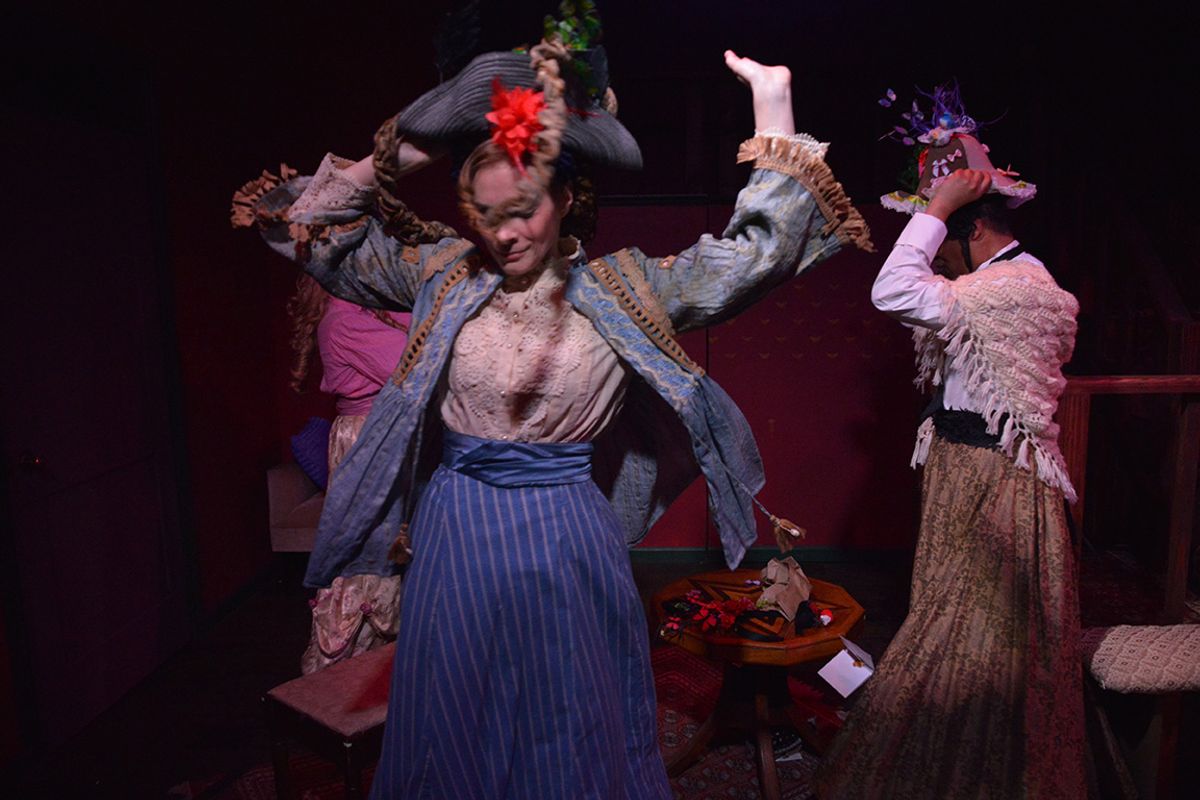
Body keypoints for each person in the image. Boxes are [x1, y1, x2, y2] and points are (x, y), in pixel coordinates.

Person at [232, 12, 871, 796]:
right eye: (487, 213)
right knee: (456, 718)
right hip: (457, 531)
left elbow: (755, 258)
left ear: (568, 196)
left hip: (566, 535)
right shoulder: (439, 275)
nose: (506, 235)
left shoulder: (624, 290)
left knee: (572, 720)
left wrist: (774, 106)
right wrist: (406, 150)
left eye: (525, 208)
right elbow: (293, 226)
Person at [816, 87, 1084, 798]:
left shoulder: (1017, 288)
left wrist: (932, 211)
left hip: (997, 483)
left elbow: (893, 290)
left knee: (977, 643)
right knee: (957, 633)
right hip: (963, 471)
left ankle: (977, 775)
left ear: (969, 230)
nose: (944, 259)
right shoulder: (993, 287)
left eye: (944, 236)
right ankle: (952, 769)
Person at [285, 275, 413, 674]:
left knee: (395, 555)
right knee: (366, 565)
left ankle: (387, 677)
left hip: (385, 434)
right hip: (369, 440)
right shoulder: (343, 319)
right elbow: (412, 365)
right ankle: (335, 683)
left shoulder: (368, 311)